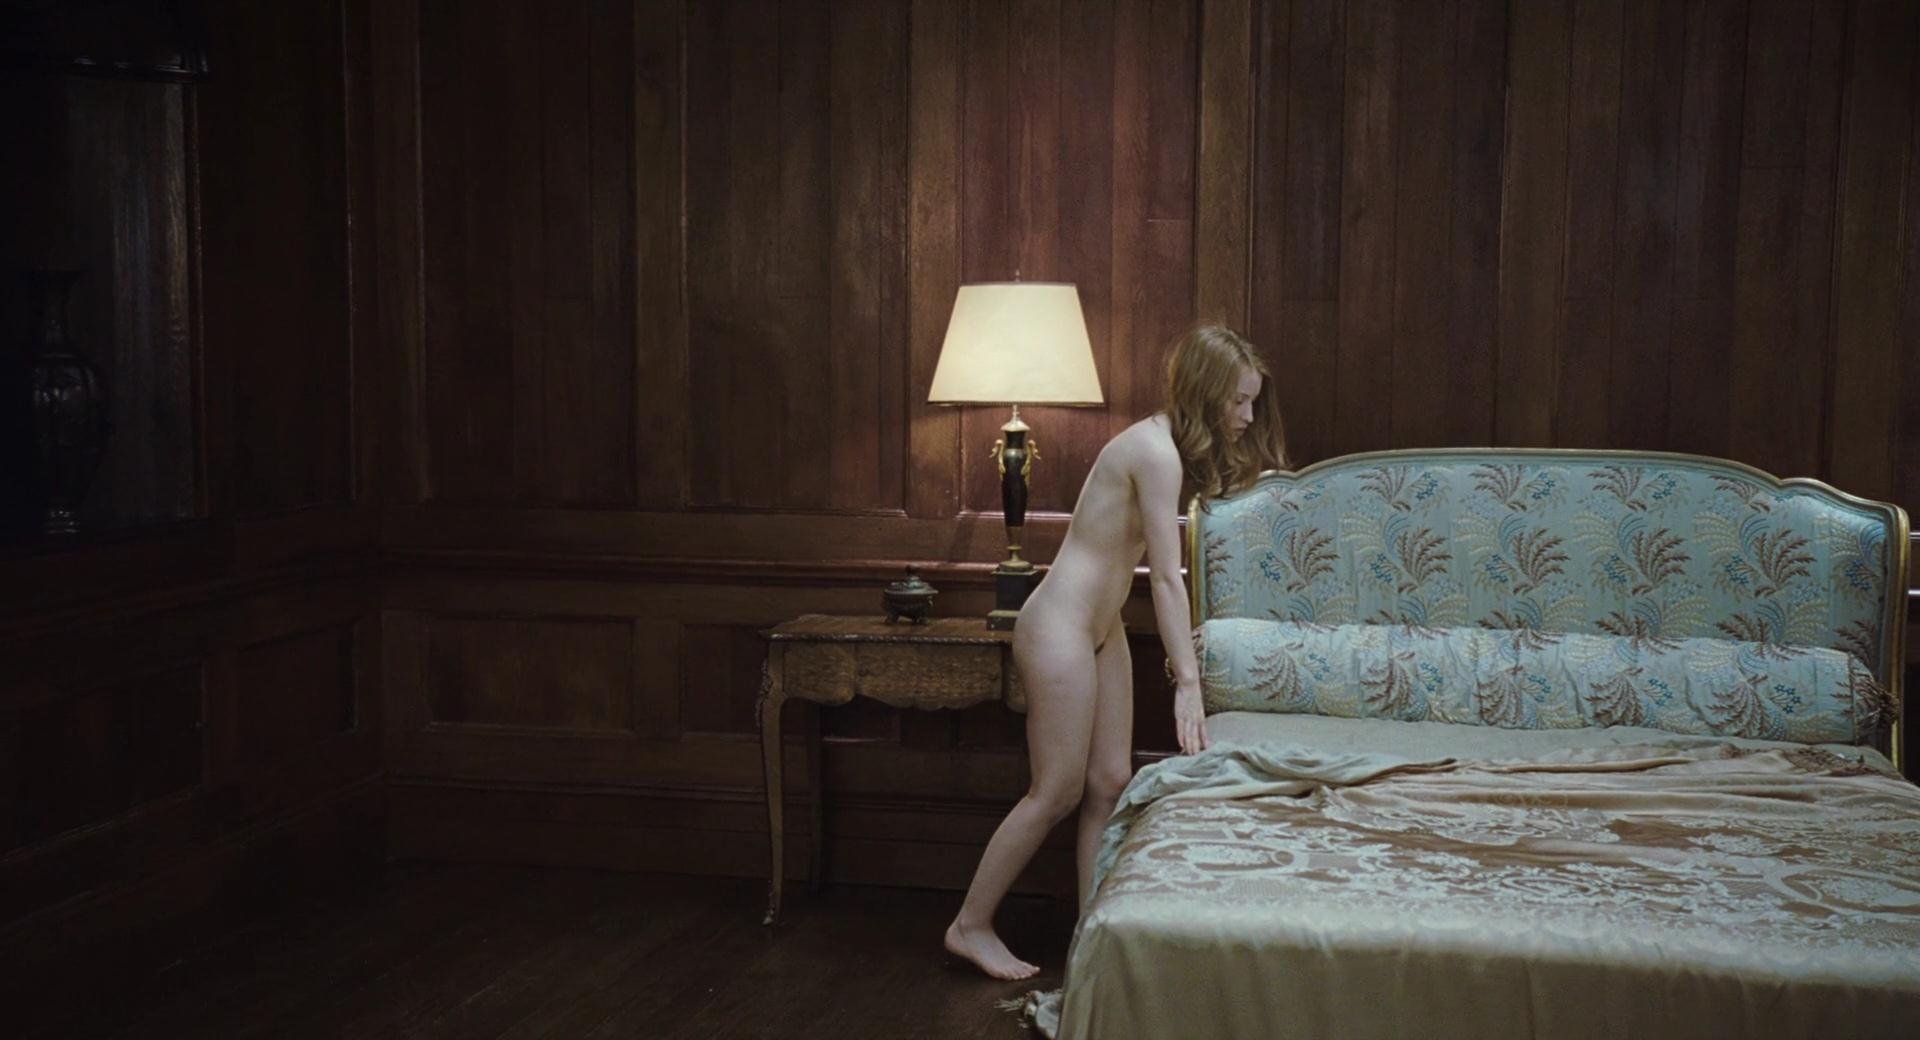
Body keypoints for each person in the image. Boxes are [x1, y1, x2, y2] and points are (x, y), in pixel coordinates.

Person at [943, 324, 1291, 980]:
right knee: (1055, 791)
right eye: (1238, 400)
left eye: (1252, 401)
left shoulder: (1169, 450)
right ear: (1205, 392)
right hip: (1058, 627)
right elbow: (1165, 579)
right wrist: (1188, 683)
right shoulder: (1153, 453)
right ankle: (970, 924)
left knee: (1108, 783)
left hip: (1100, 630)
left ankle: (1091, 938)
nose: (1247, 416)